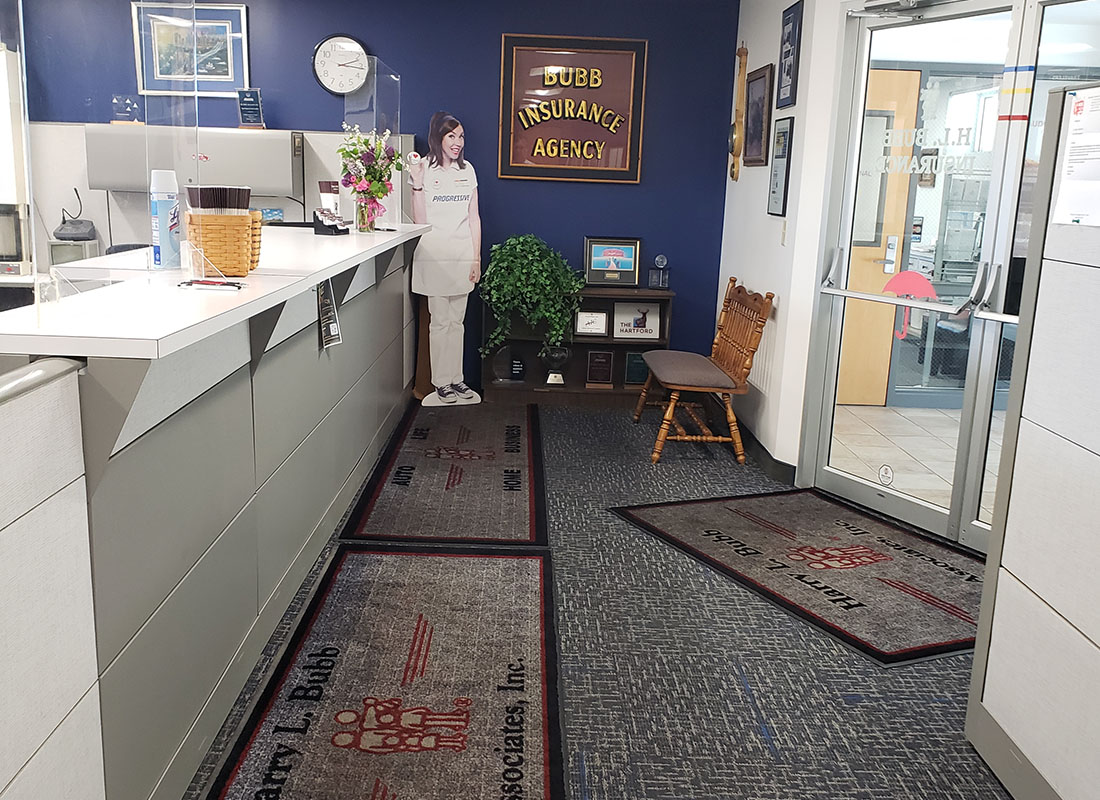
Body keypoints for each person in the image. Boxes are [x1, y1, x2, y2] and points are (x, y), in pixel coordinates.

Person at [407, 111, 482, 404]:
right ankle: (440, 383)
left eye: (461, 136)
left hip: (462, 255)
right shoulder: (424, 168)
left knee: (457, 322)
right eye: (452, 136)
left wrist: (475, 258)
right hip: (434, 255)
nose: (458, 142)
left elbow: (474, 218)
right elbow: (420, 220)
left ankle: (457, 379)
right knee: (439, 322)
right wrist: (416, 183)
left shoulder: (468, 170)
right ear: (438, 137)